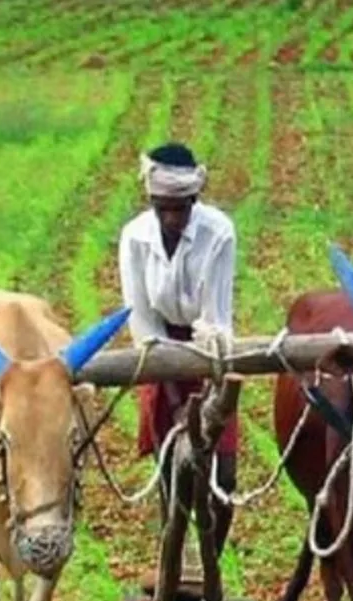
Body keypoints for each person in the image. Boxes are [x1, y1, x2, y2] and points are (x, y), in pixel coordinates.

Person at [117, 141, 239, 556]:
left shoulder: (218, 232)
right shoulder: (135, 237)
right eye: (162, 207)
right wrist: (166, 382)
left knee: (223, 477)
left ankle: (210, 564)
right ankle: (171, 556)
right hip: (158, 350)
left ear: (194, 199)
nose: (171, 217)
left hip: (209, 351)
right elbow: (142, 319)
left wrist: (208, 398)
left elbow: (215, 318)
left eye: (180, 208)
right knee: (171, 472)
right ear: (151, 200)